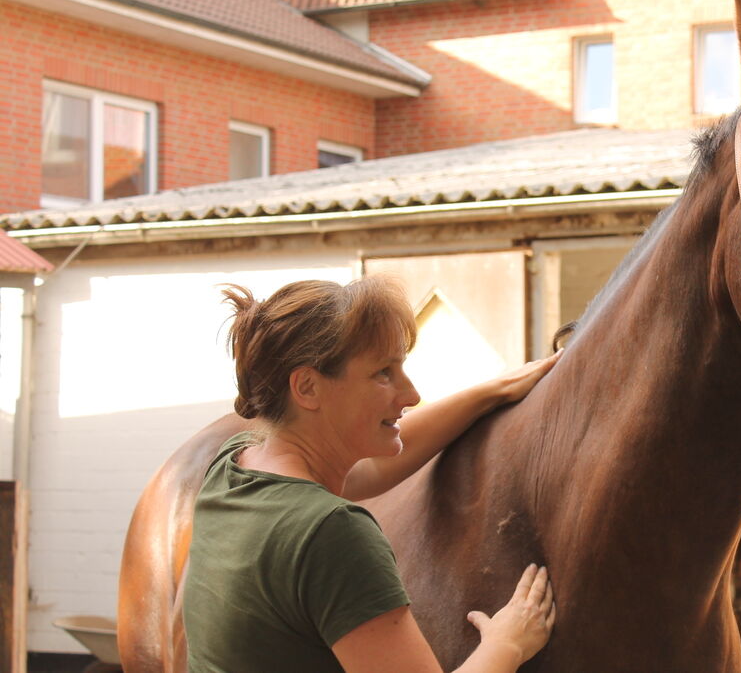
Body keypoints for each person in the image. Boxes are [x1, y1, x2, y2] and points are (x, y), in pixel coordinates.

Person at [182, 276, 559, 672]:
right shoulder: (330, 531)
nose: (411, 395)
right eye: (383, 373)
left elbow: (373, 468)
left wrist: (491, 391)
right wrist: (507, 644)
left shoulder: (235, 464)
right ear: (307, 387)